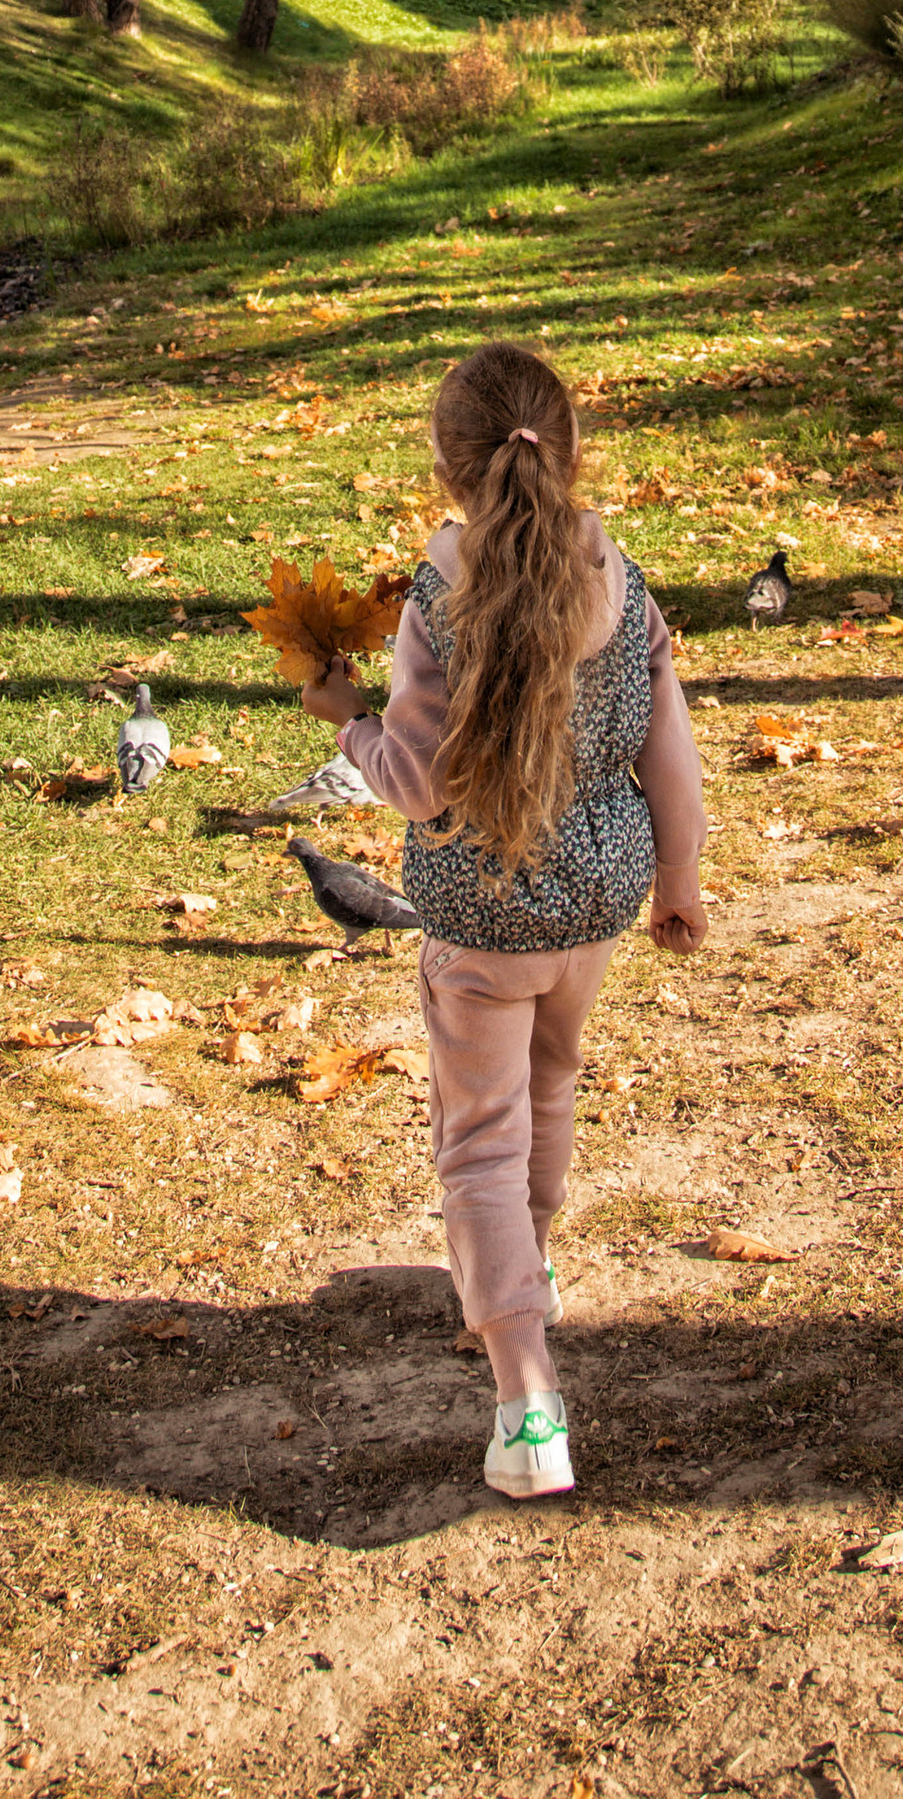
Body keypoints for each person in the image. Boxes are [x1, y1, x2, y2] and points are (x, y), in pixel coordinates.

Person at [301, 337, 707, 1501]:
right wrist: (679, 881)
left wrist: (346, 720)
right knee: (550, 1091)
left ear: (446, 468)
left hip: (482, 911)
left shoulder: (443, 591)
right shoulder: (619, 577)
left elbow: (419, 781)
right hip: (594, 900)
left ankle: (526, 1397)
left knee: (477, 1139)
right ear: (568, 451)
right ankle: (528, 1265)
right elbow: (665, 745)